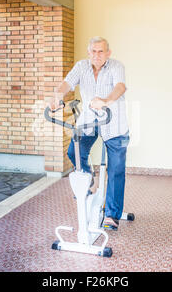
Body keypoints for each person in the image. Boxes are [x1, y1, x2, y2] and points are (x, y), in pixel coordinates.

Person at [47, 36, 130, 231]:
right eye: (93, 51)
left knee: (116, 169)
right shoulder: (81, 66)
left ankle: (112, 214)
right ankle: (87, 177)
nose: (96, 55)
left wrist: (106, 100)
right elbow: (67, 83)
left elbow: (120, 87)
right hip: (89, 121)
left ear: (108, 53)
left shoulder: (116, 66)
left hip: (115, 122)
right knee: (73, 152)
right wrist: (56, 98)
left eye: (101, 51)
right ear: (88, 52)